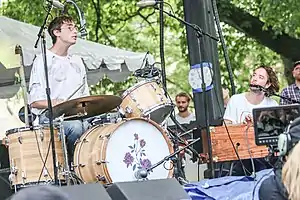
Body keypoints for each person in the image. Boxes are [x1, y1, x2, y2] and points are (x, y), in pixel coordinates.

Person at [28, 16, 90, 163]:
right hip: (49, 116)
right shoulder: (42, 60)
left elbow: (85, 96)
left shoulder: (77, 62)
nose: (75, 31)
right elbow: (34, 102)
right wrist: (57, 102)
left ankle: (94, 169)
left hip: (75, 115)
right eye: (70, 28)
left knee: (103, 121)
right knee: (76, 127)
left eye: (75, 28)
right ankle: (73, 166)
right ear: (56, 32)